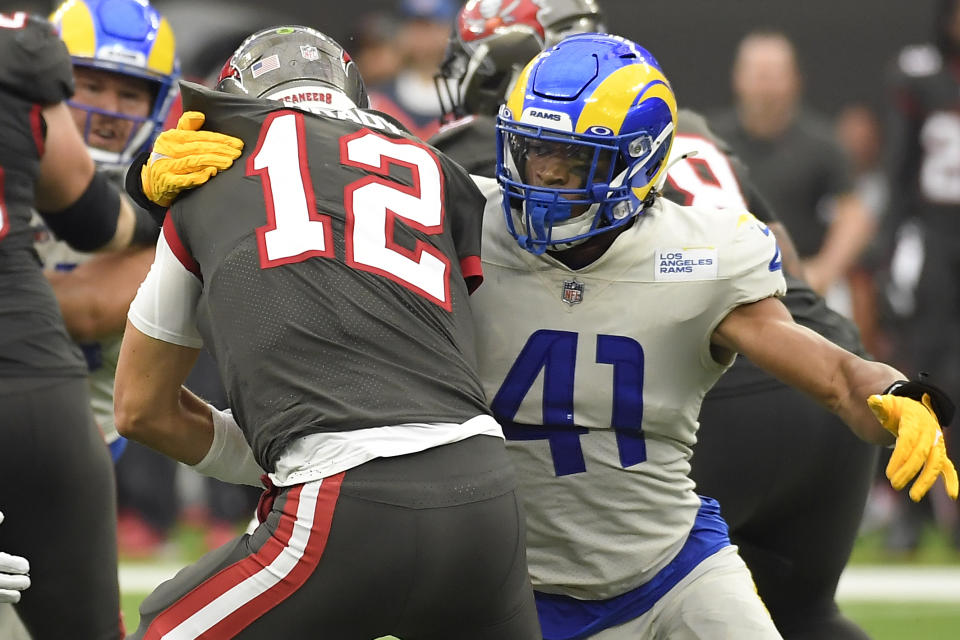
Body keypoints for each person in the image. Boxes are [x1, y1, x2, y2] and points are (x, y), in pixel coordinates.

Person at [144, 32, 959, 640]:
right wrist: (222, 169)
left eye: (570, 164)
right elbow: (333, 200)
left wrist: (890, 393)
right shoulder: (465, 215)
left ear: (639, 163)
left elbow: (827, 371)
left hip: (673, 564)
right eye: (528, 156)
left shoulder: (703, 252)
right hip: (517, 586)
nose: (541, 182)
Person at [114, 25, 540, 639]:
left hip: (347, 501)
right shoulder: (434, 169)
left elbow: (139, 407)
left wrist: (275, 454)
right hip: (488, 495)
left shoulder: (205, 171)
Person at [0, 10, 157, 640]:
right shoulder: (21, 58)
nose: (106, 109)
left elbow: (96, 307)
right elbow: (91, 235)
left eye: (129, 92)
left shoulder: (164, 185)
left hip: (71, 430)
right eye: (86, 85)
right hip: (42, 403)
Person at [709, 30, 876, 298]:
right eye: (758, 75)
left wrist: (824, 269)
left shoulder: (823, 144)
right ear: (737, 78)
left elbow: (854, 215)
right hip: (724, 285)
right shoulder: (709, 140)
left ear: (795, 79)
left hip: (797, 287)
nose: (765, 87)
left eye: (774, 75)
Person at [883, 0, 960, 550]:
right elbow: (898, 168)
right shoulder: (921, 74)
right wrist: (890, 246)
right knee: (926, 373)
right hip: (934, 239)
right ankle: (912, 507)